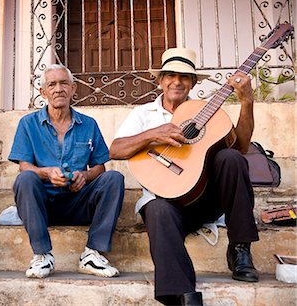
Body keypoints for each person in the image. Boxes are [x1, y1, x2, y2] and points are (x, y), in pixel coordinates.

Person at [109, 48, 259, 305]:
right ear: (160, 80)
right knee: (155, 209)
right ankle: (182, 296)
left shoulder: (208, 112)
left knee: (232, 158)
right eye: (170, 75)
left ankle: (240, 249)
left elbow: (243, 146)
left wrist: (246, 102)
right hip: (167, 203)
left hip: (204, 199)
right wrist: (152, 134)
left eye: (184, 76)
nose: (176, 81)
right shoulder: (143, 114)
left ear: (193, 83)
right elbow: (115, 150)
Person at [8, 64, 125, 279]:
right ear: (43, 92)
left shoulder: (89, 124)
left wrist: (85, 176)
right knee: (25, 178)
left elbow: (99, 166)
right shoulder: (28, 124)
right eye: (52, 84)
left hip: (78, 201)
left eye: (64, 83)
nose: (58, 89)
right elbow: (24, 165)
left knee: (113, 178)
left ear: (73, 88)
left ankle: (93, 253)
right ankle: (42, 255)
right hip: (43, 205)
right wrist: (46, 173)